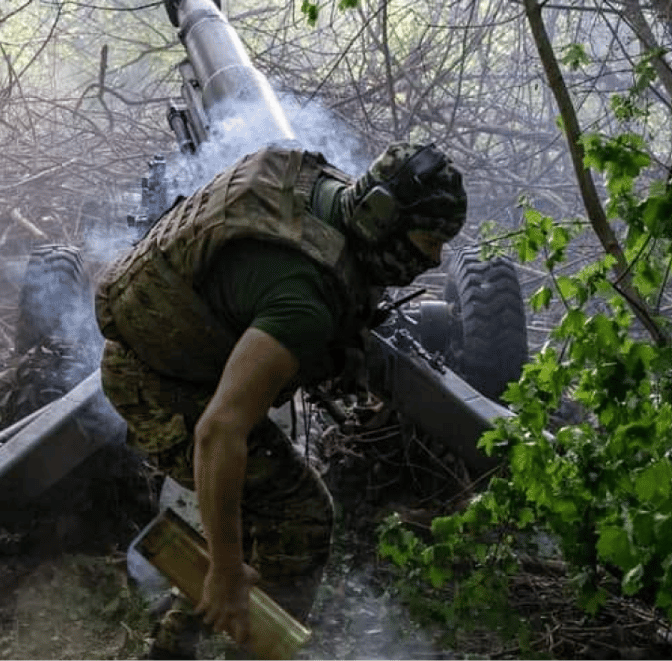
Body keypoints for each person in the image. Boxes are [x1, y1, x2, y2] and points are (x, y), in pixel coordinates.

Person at [95, 142, 467, 660]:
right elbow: (218, 432)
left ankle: (175, 645)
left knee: (255, 514)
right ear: (380, 217)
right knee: (300, 515)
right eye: (428, 239)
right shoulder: (302, 303)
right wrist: (225, 569)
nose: (433, 258)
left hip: (180, 358)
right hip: (159, 386)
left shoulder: (322, 190)